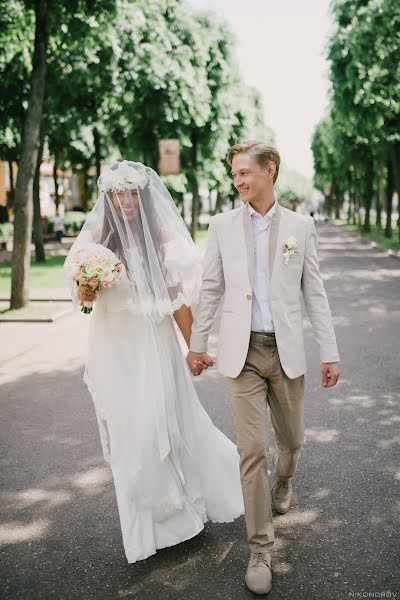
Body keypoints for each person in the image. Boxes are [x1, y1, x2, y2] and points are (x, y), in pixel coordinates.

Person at [64, 160, 244, 564]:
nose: (125, 201)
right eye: (117, 194)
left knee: (164, 423)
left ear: (142, 196)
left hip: (154, 344)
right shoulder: (94, 242)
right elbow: (84, 303)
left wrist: (194, 347)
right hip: (115, 348)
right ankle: (147, 531)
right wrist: (89, 290)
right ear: (108, 198)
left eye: (131, 193)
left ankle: (185, 510)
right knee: (132, 435)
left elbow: (178, 301)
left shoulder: (162, 239)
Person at [187, 141, 340, 595]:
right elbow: (211, 288)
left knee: (293, 441)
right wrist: (197, 344)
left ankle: (285, 482)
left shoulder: (301, 226)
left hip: (287, 351)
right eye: (234, 173)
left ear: (269, 170)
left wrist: (330, 352)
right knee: (251, 449)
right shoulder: (221, 226)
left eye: (244, 172)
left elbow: (315, 293)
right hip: (243, 355)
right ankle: (259, 548)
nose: (237, 180)